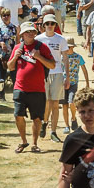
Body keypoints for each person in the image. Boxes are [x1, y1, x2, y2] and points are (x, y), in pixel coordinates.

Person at [7, 21, 56, 153]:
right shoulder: (18, 47)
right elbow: (10, 66)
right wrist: (15, 57)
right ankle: (23, 141)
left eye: (33, 31)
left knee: (37, 118)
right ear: (22, 34)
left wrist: (39, 56)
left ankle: (34, 143)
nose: (31, 34)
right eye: (28, 32)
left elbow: (52, 65)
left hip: (38, 89)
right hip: (20, 88)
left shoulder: (42, 47)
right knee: (18, 115)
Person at [33, 14, 69, 144]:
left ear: (55, 25)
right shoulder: (38, 39)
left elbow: (65, 58)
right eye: (47, 24)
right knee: (46, 103)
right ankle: (44, 122)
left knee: (55, 103)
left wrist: (67, 77)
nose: (49, 26)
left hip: (58, 72)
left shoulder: (61, 39)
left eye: (52, 24)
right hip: (42, 74)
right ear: (43, 26)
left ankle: (53, 131)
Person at [62, 37, 90, 133]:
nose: (68, 49)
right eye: (67, 47)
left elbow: (84, 70)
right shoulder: (61, 57)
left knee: (71, 103)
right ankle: (66, 125)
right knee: (64, 105)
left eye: (70, 47)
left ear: (73, 47)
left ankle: (73, 119)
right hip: (62, 84)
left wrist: (87, 83)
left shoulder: (78, 57)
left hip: (73, 83)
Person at [0, 9, 18, 100]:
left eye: (8, 15)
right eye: (4, 15)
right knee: (1, 76)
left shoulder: (14, 28)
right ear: (1, 17)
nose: (6, 17)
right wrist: (1, 43)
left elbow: (18, 42)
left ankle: (16, 95)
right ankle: (2, 95)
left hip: (12, 55)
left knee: (14, 76)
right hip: (1, 56)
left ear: (10, 16)